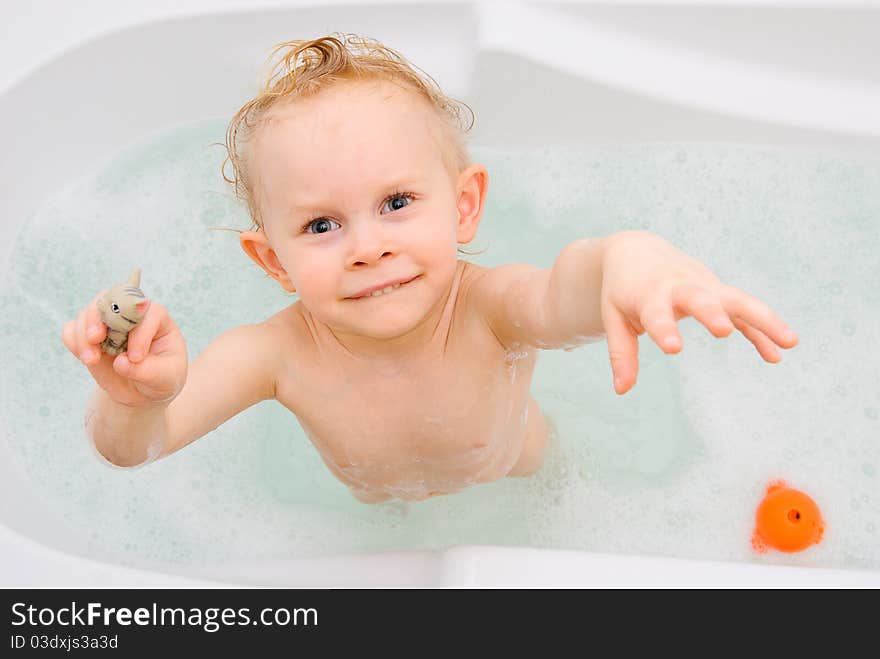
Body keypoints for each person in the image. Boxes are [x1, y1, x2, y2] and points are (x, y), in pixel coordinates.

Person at [61, 34, 799, 503]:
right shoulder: (273, 354)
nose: (367, 246)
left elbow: (564, 289)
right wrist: (133, 403)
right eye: (321, 224)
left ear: (465, 205)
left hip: (517, 462)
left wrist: (627, 258)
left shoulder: (489, 309)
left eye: (397, 202)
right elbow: (138, 450)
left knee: (549, 479)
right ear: (272, 259)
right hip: (379, 499)